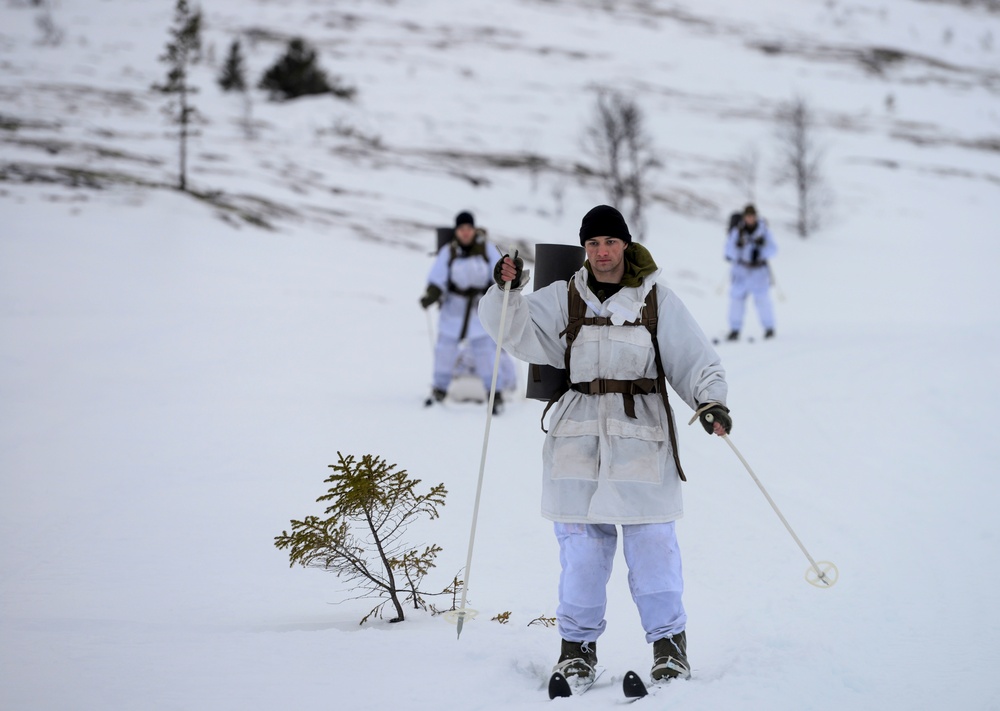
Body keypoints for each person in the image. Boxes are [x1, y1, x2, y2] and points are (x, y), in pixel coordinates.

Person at [480, 205, 731, 686]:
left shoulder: (654, 299)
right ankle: (576, 653)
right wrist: (505, 289)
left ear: (625, 244)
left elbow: (693, 356)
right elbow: (511, 329)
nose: (600, 252)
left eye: (609, 243)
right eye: (592, 244)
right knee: (581, 552)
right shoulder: (562, 298)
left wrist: (711, 401)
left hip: (642, 435)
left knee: (652, 545)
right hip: (577, 436)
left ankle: (669, 649)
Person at [420, 211, 515, 415]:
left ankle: (495, 395)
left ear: (473, 229)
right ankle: (439, 389)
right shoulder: (449, 251)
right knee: (445, 350)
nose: (465, 233)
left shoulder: (486, 250)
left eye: (468, 229)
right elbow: (438, 277)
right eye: (461, 229)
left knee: (485, 352)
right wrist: (431, 295)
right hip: (454, 308)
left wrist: (501, 296)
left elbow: (497, 275)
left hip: (478, 309)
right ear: (457, 231)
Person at [724, 203, 777, 341]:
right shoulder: (737, 231)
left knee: (762, 300)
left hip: (759, 272)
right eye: (747, 216)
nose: (750, 219)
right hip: (741, 270)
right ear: (744, 217)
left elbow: (774, 249)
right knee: (736, 300)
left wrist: (761, 250)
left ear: (755, 216)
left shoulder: (763, 231)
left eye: (752, 216)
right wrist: (738, 248)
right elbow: (728, 251)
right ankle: (734, 330)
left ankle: (769, 328)